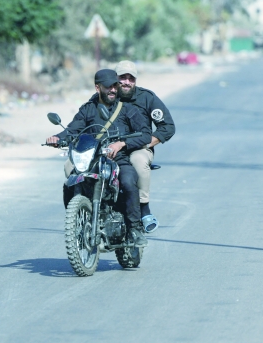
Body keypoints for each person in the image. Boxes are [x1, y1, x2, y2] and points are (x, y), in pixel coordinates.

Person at [47, 69, 152, 245]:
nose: (112, 90)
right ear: (98, 88)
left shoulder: (128, 109)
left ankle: (135, 228)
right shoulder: (88, 109)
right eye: (108, 87)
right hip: (92, 159)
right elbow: (73, 129)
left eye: (115, 86)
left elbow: (145, 134)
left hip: (118, 159)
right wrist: (58, 138)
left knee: (127, 182)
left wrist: (121, 144)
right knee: (70, 182)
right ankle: (77, 222)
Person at [114, 60, 175, 232]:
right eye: (122, 77)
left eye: (130, 78)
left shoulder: (147, 98)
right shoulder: (106, 97)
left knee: (139, 162)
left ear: (135, 80)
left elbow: (167, 127)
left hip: (139, 148)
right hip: (110, 148)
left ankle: (144, 209)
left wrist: (148, 143)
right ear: (115, 78)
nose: (126, 82)